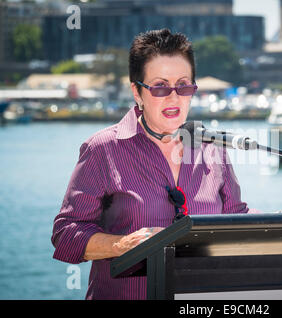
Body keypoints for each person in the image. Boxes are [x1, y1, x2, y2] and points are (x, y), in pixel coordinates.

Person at [51, 29, 250, 300]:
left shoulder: (213, 149)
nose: (173, 97)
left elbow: (236, 220)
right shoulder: (102, 149)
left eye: (183, 85)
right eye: (159, 87)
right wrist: (121, 244)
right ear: (137, 92)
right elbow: (66, 234)